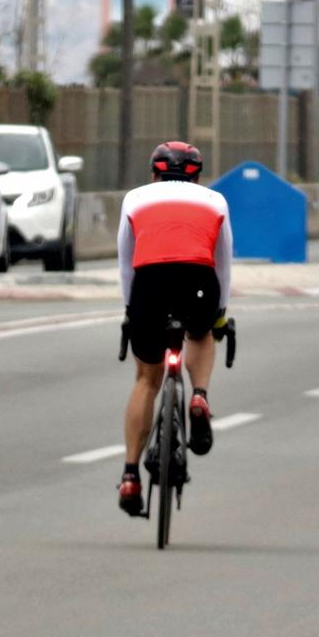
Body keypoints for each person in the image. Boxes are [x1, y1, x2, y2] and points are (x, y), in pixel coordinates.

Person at [114, 141, 232, 517]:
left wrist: (132, 309)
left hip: (149, 285)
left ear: (154, 173)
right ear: (197, 176)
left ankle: (131, 474)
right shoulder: (215, 201)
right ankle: (199, 396)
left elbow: (125, 262)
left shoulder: (134, 198)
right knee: (201, 333)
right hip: (198, 281)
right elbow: (223, 263)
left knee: (146, 379)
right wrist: (220, 312)